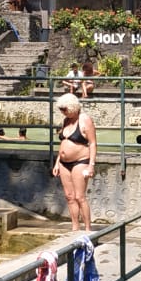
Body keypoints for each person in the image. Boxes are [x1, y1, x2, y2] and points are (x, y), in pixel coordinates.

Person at [52, 92, 97, 232]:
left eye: (64, 109)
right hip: (64, 163)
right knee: (69, 196)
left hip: (80, 161)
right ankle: (75, 227)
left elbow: (93, 143)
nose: (63, 112)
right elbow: (64, 143)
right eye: (61, 110)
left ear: (72, 107)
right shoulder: (66, 120)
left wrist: (91, 165)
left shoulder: (85, 120)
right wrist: (57, 162)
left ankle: (88, 229)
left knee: (80, 197)